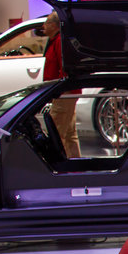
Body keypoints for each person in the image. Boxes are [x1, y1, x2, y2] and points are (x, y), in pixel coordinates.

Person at [42, 11, 80, 158]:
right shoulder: (56, 40)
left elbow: (65, 67)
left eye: (46, 23)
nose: (43, 25)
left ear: (54, 25)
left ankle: (59, 164)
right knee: (69, 133)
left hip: (64, 93)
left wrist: (59, 89)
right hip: (66, 92)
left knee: (57, 133)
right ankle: (76, 163)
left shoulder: (59, 41)